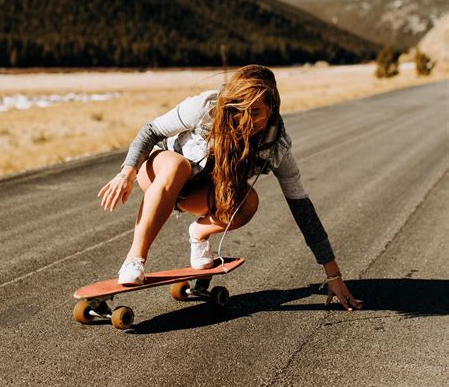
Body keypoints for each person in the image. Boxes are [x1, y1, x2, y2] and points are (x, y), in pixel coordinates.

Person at [98, 64, 362, 311]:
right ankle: (134, 260)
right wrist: (127, 172)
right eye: (239, 109)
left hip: (195, 194)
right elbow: (150, 130)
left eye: (256, 112)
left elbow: (301, 205)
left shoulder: (275, 146)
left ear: (273, 108)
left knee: (249, 201)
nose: (245, 119)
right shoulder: (204, 108)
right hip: (159, 173)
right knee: (178, 166)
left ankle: (199, 234)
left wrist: (333, 274)